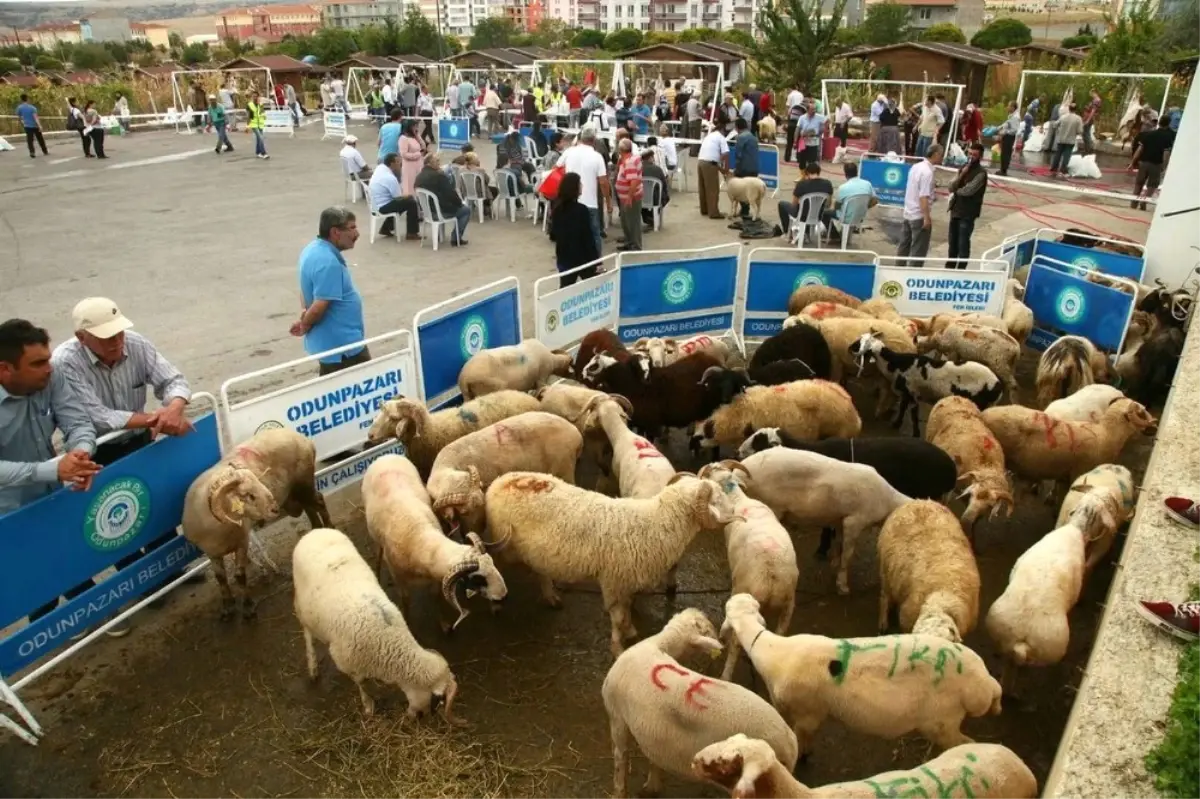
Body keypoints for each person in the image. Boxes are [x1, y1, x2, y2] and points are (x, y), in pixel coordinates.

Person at [51, 298, 199, 616]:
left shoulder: (135, 343)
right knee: (116, 515)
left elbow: (174, 380)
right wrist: (155, 420)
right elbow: (96, 415)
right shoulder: (64, 362)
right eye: (107, 337)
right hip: (96, 448)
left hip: (139, 439)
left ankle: (171, 568)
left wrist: (173, 408)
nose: (117, 342)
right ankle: (141, 581)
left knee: (153, 502)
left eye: (119, 333)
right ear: (82, 338)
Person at [0, 319, 101, 627]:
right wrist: (53, 468)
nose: (49, 367)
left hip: (51, 494)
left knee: (63, 556)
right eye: (38, 363)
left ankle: (73, 618)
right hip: (7, 510)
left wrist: (80, 454)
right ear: (6, 369)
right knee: (31, 573)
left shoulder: (50, 379)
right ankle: (51, 628)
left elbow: (78, 422)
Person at [290, 207, 367, 374]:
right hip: (343, 348)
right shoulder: (328, 262)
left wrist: (304, 312)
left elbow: (305, 289)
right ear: (335, 232)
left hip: (333, 344)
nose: (357, 234)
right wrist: (305, 323)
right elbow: (319, 306)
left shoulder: (311, 249)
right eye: (352, 228)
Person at [560, 126, 612, 256]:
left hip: (570, 201)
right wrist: (608, 201)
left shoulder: (569, 152)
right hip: (590, 203)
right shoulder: (597, 156)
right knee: (594, 234)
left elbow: (557, 168)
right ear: (594, 140)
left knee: (571, 233)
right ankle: (597, 262)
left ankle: (574, 259)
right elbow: (603, 182)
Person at [550, 172, 601, 288]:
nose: (582, 186)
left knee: (565, 291)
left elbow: (553, 235)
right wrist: (596, 261)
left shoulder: (557, 208)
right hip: (582, 260)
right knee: (592, 291)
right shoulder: (581, 210)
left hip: (564, 259)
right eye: (580, 183)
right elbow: (588, 239)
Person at [896, 143, 943, 266]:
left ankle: (898, 270)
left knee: (904, 246)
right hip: (918, 215)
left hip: (908, 211)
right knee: (918, 250)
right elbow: (923, 197)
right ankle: (913, 275)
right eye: (941, 155)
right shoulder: (927, 172)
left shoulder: (916, 166)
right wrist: (926, 218)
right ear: (936, 154)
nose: (942, 158)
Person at [945, 141, 988, 269]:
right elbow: (950, 186)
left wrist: (956, 189)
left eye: (974, 155)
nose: (970, 157)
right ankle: (950, 267)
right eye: (969, 153)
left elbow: (968, 191)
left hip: (968, 213)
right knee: (953, 243)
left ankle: (961, 269)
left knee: (963, 243)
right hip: (956, 210)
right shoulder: (963, 168)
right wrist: (962, 175)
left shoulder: (981, 173)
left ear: (980, 157)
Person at [415, 152, 472, 247]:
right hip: (440, 210)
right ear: (429, 163)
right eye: (437, 161)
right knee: (465, 210)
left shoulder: (419, 177)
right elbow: (450, 194)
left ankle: (439, 235)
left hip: (427, 211)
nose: (439, 163)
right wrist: (459, 204)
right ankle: (456, 238)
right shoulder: (439, 176)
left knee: (449, 204)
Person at [367, 154, 421, 240]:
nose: (401, 164)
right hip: (382, 207)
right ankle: (412, 233)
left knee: (401, 203)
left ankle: (386, 228)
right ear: (392, 164)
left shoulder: (380, 168)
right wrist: (410, 195)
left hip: (375, 203)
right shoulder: (390, 178)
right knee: (411, 202)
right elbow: (398, 197)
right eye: (398, 162)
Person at [777, 161, 833, 241]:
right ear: (819, 172)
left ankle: (787, 233)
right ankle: (806, 232)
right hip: (818, 215)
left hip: (802, 215)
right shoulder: (828, 184)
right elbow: (828, 204)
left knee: (782, 204)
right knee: (809, 208)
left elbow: (794, 204)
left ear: (807, 173)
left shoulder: (801, 184)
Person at [1129, 116, 1175, 211]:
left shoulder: (1149, 134)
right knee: (1152, 185)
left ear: (1159, 123)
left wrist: (1132, 162)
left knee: (1139, 183)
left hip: (1143, 163)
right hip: (1156, 164)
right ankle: (1144, 201)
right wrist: (1164, 167)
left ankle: (1133, 203)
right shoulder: (1167, 138)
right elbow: (1166, 154)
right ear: (1168, 124)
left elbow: (1139, 150)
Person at [826, 161, 877, 240]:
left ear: (845, 174)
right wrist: (865, 206)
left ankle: (835, 235)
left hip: (846, 217)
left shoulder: (843, 187)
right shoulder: (867, 184)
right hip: (860, 215)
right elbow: (875, 200)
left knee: (824, 213)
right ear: (856, 172)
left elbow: (837, 206)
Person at [614, 138, 643, 252]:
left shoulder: (630, 162)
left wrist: (630, 197)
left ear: (620, 150)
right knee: (626, 221)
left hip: (630, 196)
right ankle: (629, 241)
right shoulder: (629, 159)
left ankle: (635, 244)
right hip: (625, 196)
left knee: (632, 222)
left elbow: (634, 181)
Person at [697, 122, 730, 220]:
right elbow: (726, 154)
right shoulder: (721, 137)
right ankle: (714, 212)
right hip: (709, 164)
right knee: (712, 189)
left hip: (700, 162)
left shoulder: (709, 136)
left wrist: (720, 168)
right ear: (722, 131)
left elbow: (712, 158)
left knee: (702, 188)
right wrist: (726, 169)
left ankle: (705, 209)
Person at [732, 117, 760, 220]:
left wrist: (736, 169)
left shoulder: (741, 137)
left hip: (744, 168)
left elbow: (738, 155)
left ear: (737, 127)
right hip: (754, 168)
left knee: (740, 190)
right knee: (751, 191)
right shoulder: (753, 137)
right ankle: (752, 211)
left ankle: (744, 210)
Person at [1050, 102, 1083, 178]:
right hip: (1070, 140)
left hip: (1061, 139)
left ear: (1069, 109)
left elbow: (1055, 124)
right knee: (1066, 156)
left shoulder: (1063, 117)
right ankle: (1063, 170)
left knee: (1058, 154)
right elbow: (1080, 131)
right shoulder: (1078, 119)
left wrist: (1059, 129)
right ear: (1076, 109)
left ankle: (1054, 168)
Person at [640, 148, 669, 228]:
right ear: (650, 158)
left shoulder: (638, 169)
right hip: (656, 199)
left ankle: (647, 218)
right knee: (662, 193)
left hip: (640, 198)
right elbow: (664, 185)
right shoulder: (658, 169)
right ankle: (654, 217)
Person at [794, 101, 826, 169]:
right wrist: (795, 141)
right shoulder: (802, 117)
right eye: (812, 109)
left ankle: (811, 176)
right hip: (804, 141)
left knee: (812, 161)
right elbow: (798, 129)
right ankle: (803, 176)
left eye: (815, 109)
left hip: (814, 141)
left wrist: (822, 129)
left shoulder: (819, 117)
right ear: (807, 110)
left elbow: (826, 123)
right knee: (802, 160)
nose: (814, 111)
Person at [399, 120, 424, 196]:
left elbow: (423, 146)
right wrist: (418, 154)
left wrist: (417, 135)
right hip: (409, 167)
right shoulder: (403, 138)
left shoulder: (414, 137)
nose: (416, 128)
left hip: (418, 165)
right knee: (410, 187)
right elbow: (404, 154)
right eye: (415, 126)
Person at [996, 101, 1020, 177]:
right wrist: (999, 127)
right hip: (1007, 136)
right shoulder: (1011, 115)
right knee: (1004, 153)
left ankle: (1004, 170)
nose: (1008, 107)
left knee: (1006, 153)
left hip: (1009, 137)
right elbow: (1007, 123)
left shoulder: (1015, 117)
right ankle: (1002, 169)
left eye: (1009, 106)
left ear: (1013, 107)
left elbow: (1014, 130)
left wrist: (1004, 132)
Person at [247, 91, 268, 160]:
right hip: (254, 124)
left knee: (259, 139)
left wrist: (264, 116)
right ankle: (264, 153)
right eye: (253, 96)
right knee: (261, 138)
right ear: (252, 97)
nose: (255, 98)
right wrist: (247, 126)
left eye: (256, 96)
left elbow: (263, 112)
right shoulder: (249, 105)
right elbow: (248, 116)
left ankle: (258, 152)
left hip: (260, 124)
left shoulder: (261, 104)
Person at [1081, 88, 1101, 155]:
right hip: (1087, 117)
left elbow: (1093, 111)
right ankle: (1087, 148)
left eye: (1091, 93)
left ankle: (1088, 149)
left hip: (1088, 118)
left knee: (1085, 133)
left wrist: (1088, 120)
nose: (1090, 95)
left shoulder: (1097, 100)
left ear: (1094, 92)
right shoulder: (1095, 100)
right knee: (1086, 133)